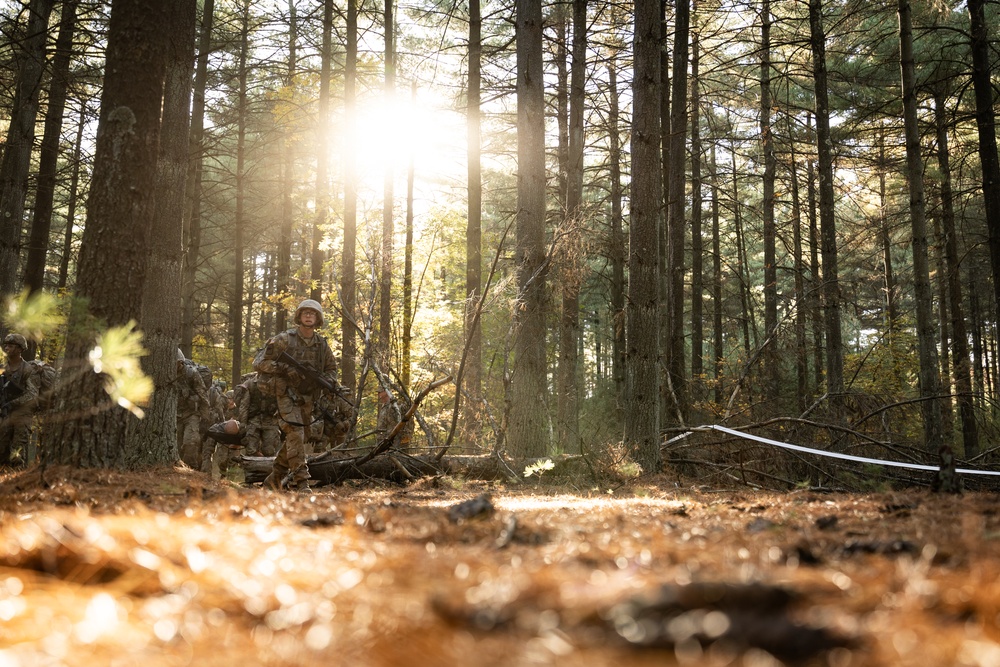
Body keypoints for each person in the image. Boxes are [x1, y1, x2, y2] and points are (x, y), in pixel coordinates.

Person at [253, 299, 341, 491]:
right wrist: (284, 369)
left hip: (308, 397)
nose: (309, 316)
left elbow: (331, 369)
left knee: (298, 438)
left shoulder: (321, 345)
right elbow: (258, 363)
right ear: (299, 317)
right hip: (286, 394)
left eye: (313, 313)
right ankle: (301, 482)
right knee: (295, 432)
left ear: (318, 318)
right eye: (305, 313)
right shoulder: (285, 339)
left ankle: (274, 479)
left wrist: (328, 382)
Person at [0, 333, 39, 467]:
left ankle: (17, 482)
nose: (6, 348)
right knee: (2, 450)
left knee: (17, 454)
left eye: (10, 346)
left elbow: (33, 393)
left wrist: (13, 403)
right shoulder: (2, 368)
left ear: (19, 349)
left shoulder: (28, 369)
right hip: (5, 413)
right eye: (5, 345)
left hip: (23, 414)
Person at [176, 350, 211, 469]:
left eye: (177, 363)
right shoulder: (167, 373)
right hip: (174, 415)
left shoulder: (191, 373)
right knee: (176, 446)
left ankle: (191, 469)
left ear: (181, 362)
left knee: (190, 443)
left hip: (191, 414)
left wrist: (205, 418)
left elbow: (203, 394)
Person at [376, 386, 413, 453]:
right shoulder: (384, 406)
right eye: (379, 392)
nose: (379, 395)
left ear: (386, 392)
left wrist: (405, 437)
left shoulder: (398, 405)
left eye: (380, 392)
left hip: (397, 441)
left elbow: (408, 422)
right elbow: (383, 425)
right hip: (385, 442)